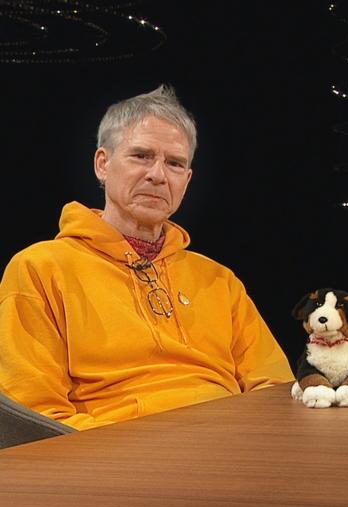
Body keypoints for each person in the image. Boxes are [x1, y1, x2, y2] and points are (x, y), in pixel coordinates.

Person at [0, 85, 294, 430]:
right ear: (102, 164)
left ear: (187, 180)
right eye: (141, 156)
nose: (158, 175)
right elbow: (36, 417)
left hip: (231, 442)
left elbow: (276, 389)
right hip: (115, 450)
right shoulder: (41, 269)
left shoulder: (219, 280)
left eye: (174, 163)